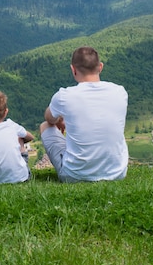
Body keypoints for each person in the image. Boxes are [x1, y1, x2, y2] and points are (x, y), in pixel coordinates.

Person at [40, 46, 128, 182]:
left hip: (74, 176)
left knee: (45, 126)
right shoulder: (120, 92)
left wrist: (60, 118)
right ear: (100, 67)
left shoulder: (64, 96)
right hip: (117, 173)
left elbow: (49, 118)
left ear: (73, 69)